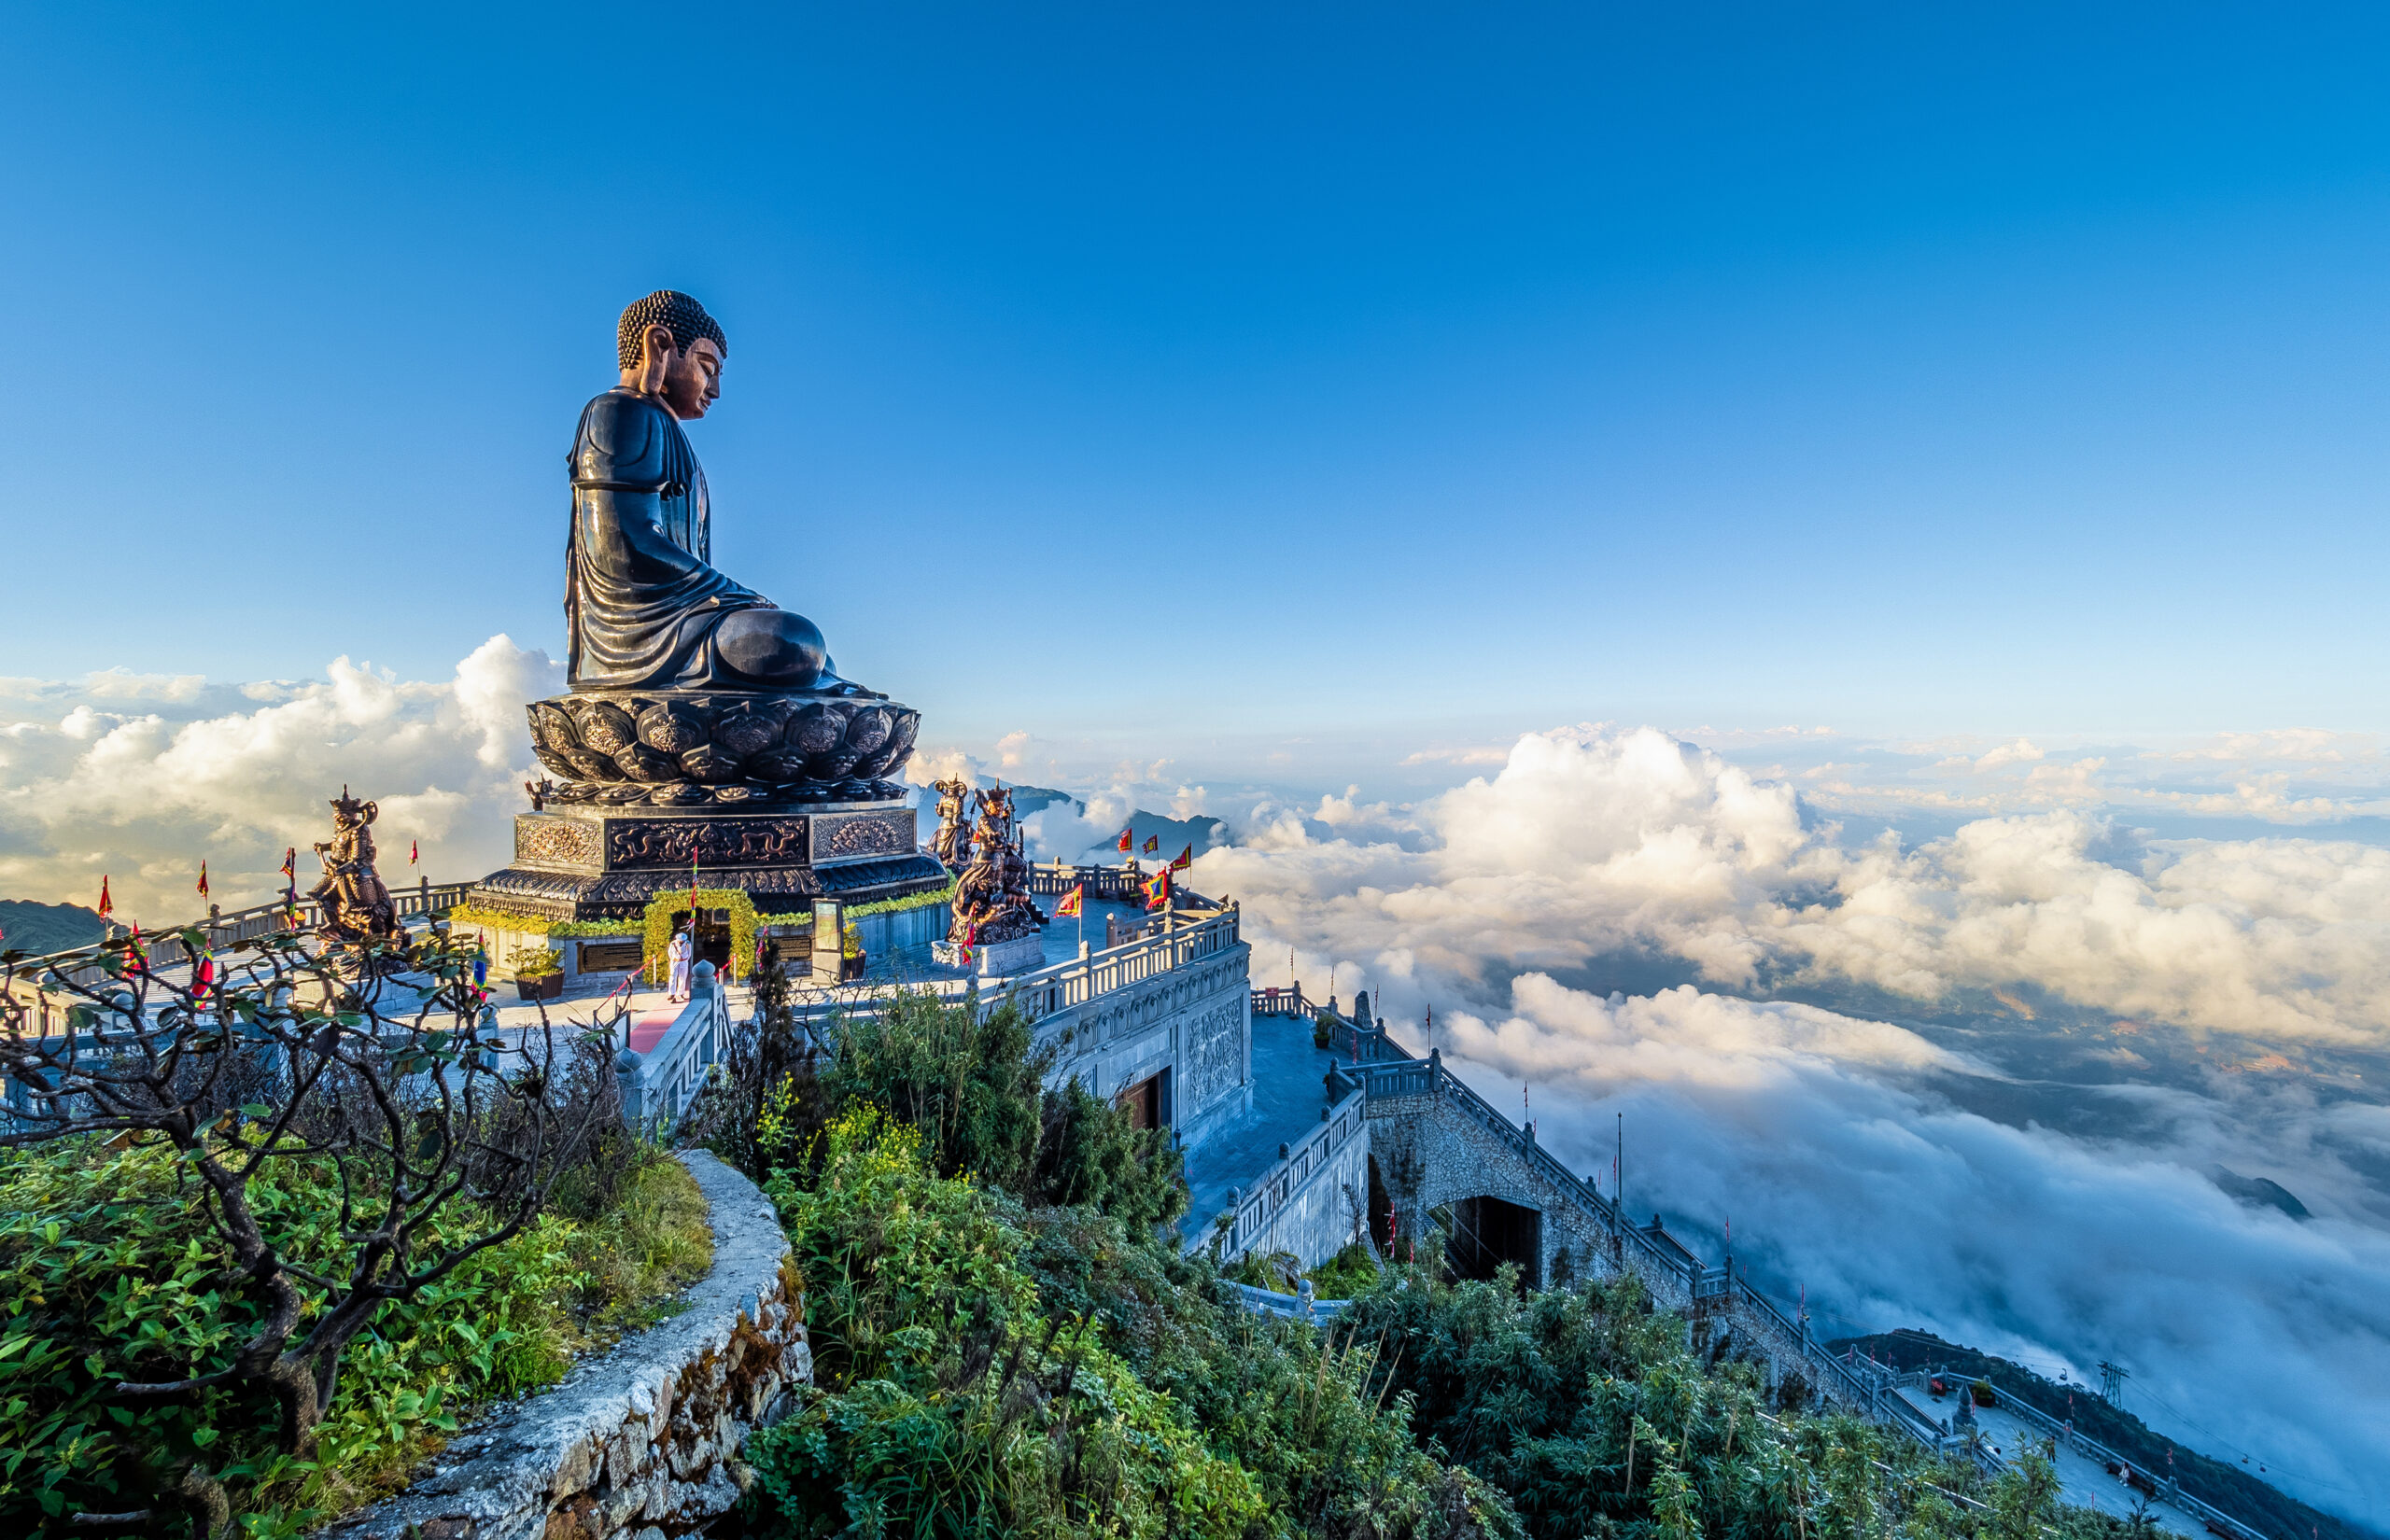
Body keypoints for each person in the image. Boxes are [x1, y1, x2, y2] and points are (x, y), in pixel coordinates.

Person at [565, 289, 872, 694]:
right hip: (641, 633)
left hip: (686, 617)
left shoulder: (670, 433)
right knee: (792, 641)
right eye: (707, 368)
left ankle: (829, 696)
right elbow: (625, 544)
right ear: (660, 346)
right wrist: (735, 593)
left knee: (810, 652)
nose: (714, 390)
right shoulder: (617, 412)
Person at [666, 921, 695, 1003]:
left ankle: (680, 993)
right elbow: (669, 953)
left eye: (682, 941)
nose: (680, 942)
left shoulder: (688, 944)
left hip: (684, 962)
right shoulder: (673, 944)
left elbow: (689, 953)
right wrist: (674, 959)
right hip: (674, 962)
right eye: (679, 941)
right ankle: (671, 993)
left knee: (682, 977)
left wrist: (684, 959)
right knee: (672, 977)